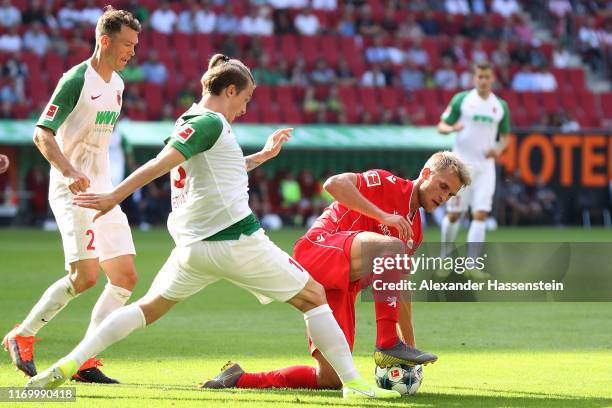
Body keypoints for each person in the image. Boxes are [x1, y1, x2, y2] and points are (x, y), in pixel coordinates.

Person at [26, 54, 400, 400]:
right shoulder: (209, 122)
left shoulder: (189, 120)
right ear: (230, 90)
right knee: (315, 296)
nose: (245, 108)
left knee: (146, 309)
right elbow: (160, 163)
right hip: (237, 241)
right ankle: (354, 385)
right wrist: (114, 197)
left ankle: (69, 363)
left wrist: (262, 156)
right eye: (246, 99)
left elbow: (215, 171)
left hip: (193, 250)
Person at [201, 152, 470, 390]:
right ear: (425, 174)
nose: (444, 197)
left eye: (451, 194)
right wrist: (383, 216)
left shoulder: (416, 231)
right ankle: (386, 342)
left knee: (330, 379)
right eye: (443, 186)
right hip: (319, 248)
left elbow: (398, 291)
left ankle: (237, 378)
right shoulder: (386, 182)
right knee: (391, 246)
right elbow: (334, 184)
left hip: (342, 283)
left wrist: (410, 348)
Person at [3, 7, 141, 384]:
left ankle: (84, 359)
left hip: (103, 191)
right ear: (105, 40)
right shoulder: (76, 79)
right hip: (72, 189)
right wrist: (68, 171)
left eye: (135, 45)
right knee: (84, 277)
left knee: (125, 277)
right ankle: (23, 333)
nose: (132, 52)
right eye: (127, 44)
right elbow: (42, 133)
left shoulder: (118, 85)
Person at [437, 62, 511, 279]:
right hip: (459, 168)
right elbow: (441, 126)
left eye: (487, 77)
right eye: (480, 77)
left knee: (480, 214)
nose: (483, 81)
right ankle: (444, 258)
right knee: (453, 215)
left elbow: (505, 138)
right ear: (474, 78)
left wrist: (497, 149)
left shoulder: (500, 106)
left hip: (485, 169)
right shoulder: (462, 100)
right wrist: (452, 128)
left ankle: (472, 264)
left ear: (493, 78)